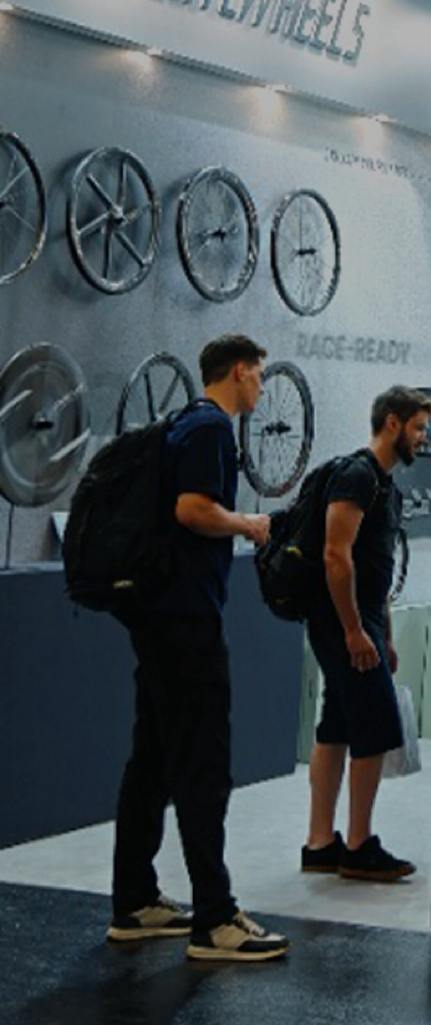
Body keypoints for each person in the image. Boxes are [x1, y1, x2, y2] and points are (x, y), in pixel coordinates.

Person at [107, 334, 288, 962]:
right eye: (258, 375)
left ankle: (134, 901)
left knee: (153, 760)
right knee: (204, 767)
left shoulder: (183, 422)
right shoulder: (212, 428)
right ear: (238, 372)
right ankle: (215, 918)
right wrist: (248, 524)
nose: (261, 386)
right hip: (186, 622)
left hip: (158, 617)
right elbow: (192, 510)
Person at [301, 386, 431, 883]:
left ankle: (320, 843)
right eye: (418, 428)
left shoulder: (385, 485)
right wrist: (355, 630)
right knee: (375, 723)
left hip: (365, 622)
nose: (423, 438)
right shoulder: (357, 477)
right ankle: (358, 845)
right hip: (343, 621)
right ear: (392, 423)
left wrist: (386, 634)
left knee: (337, 722)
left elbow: (378, 569)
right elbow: (336, 556)